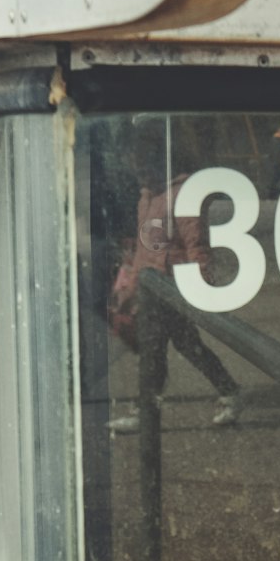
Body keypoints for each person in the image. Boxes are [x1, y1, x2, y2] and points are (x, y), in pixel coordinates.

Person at [109, 138, 242, 429]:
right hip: (154, 288)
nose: (141, 175)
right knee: (186, 345)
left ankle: (146, 411)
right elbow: (146, 251)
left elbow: (196, 243)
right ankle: (229, 391)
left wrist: (203, 284)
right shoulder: (147, 198)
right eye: (137, 169)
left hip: (173, 286)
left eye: (145, 168)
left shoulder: (182, 195)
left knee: (156, 349)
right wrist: (132, 288)